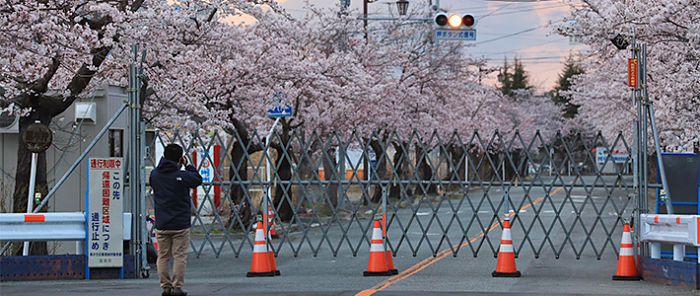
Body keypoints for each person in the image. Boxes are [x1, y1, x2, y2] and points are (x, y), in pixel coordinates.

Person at [150, 144, 202, 296]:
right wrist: (189, 166)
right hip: (180, 223)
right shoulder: (183, 175)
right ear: (180, 159)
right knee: (179, 256)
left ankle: (165, 287)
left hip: (162, 223)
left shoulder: (154, 175)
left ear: (164, 157)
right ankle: (177, 287)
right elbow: (197, 180)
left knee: (163, 256)